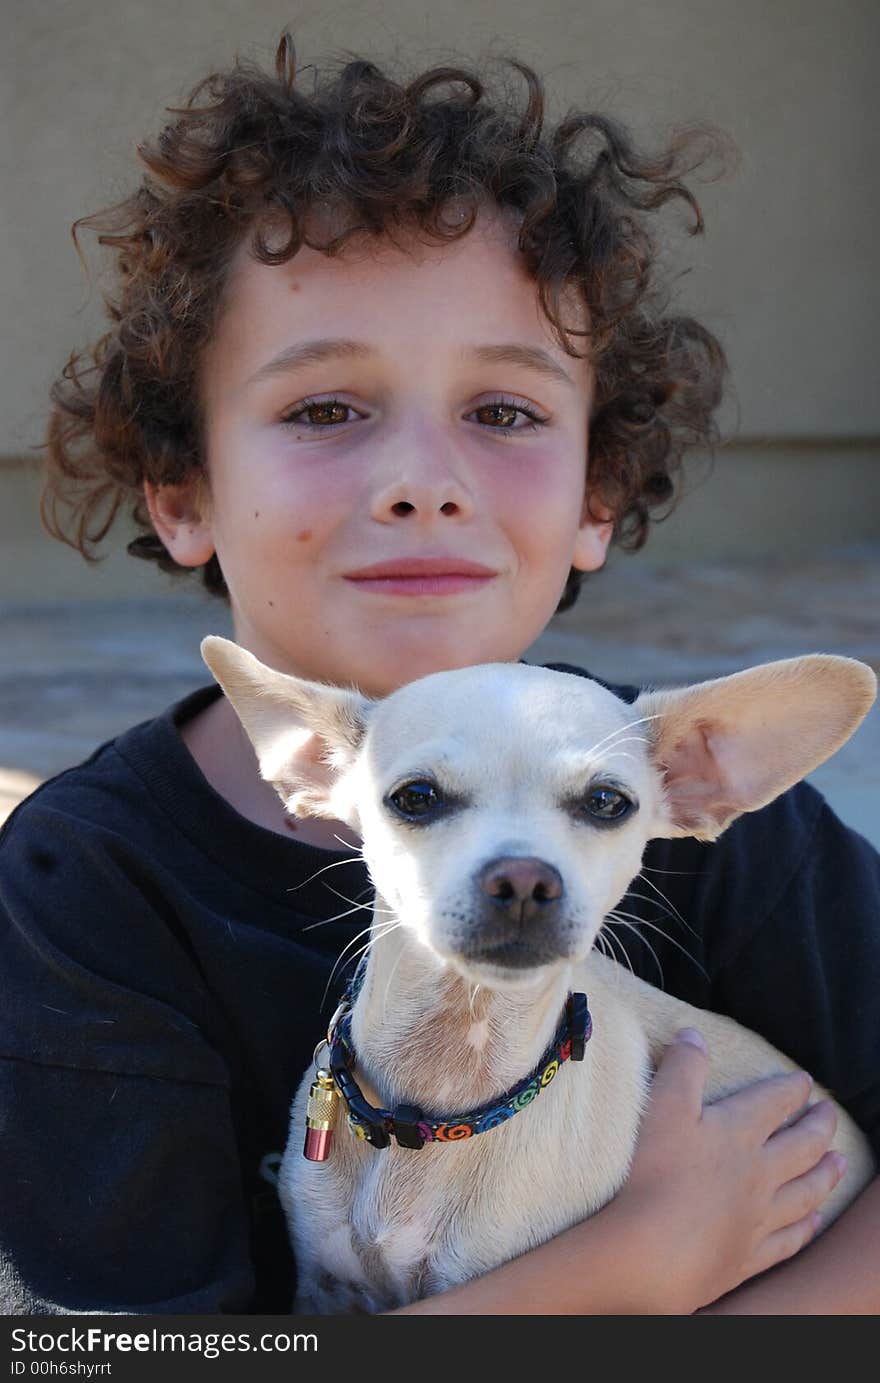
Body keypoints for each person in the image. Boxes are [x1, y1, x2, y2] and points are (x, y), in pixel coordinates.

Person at [2, 33, 877, 1316]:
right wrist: (623, 1274)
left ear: (597, 496)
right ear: (183, 491)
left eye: (505, 411)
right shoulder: (85, 889)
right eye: (324, 409)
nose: (423, 479)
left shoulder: (696, 813)